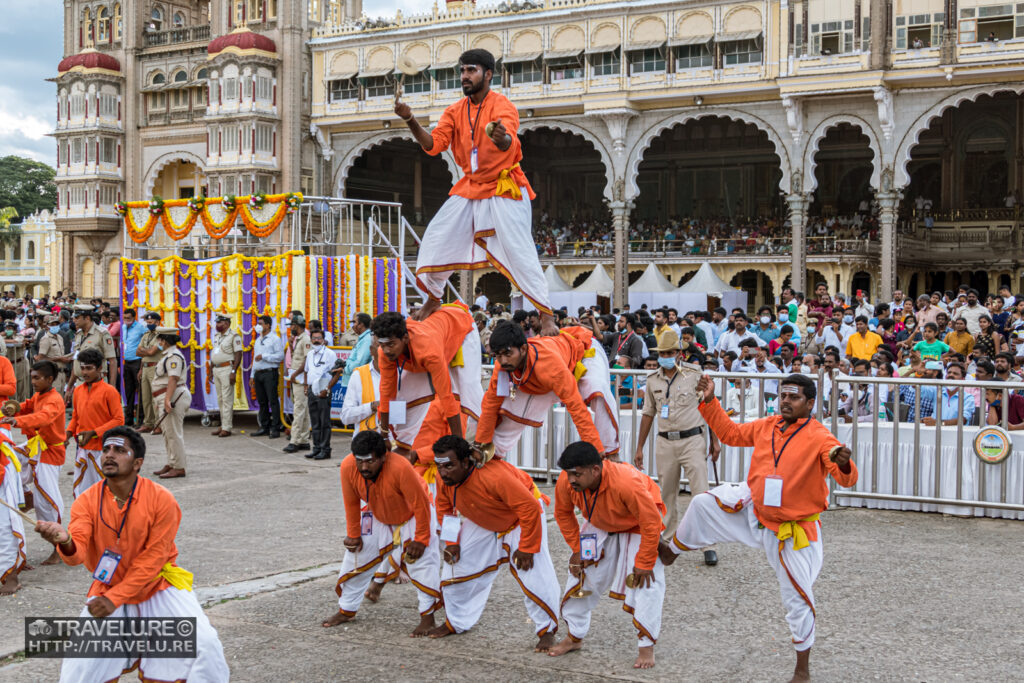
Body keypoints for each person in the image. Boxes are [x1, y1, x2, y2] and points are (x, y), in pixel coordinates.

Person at [666, 373, 857, 683]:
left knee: (798, 597)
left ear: (810, 403)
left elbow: (846, 477)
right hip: (756, 511)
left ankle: (802, 669)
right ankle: (673, 549)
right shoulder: (767, 425)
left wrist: (844, 463)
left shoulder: (822, 437)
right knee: (703, 504)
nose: (785, 401)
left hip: (793, 530)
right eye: (783, 395)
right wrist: (711, 399)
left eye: (794, 398)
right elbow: (729, 433)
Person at [33, 426, 229, 681]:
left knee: (204, 645)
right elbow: (77, 553)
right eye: (105, 450)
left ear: (138, 463)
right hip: (108, 586)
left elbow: (153, 561)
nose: (109, 455)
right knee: (81, 666)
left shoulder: (162, 499)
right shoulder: (87, 500)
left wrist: (114, 599)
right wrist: (65, 540)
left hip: (157, 585)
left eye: (119, 450)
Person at [396, 49, 557, 335]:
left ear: (488, 74)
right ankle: (434, 298)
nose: (465, 76)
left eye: (471, 70)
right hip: (470, 187)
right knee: (435, 238)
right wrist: (409, 119)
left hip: (504, 187)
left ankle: (546, 316)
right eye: (462, 71)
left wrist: (502, 138)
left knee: (519, 252)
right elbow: (433, 144)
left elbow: (510, 141)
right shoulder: (455, 111)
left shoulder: (502, 105)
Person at [428, 435, 560, 650]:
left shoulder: (494, 476)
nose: (443, 473)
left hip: (522, 519)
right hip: (484, 518)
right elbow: (444, 508)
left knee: (533, 572)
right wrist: (451, 542)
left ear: (465, 462)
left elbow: (530, 509)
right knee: (455, 567)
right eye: (439, 466)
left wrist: (527, 547)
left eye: (449, 466)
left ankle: (547, 630)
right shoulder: (445, 480)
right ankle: (456, 622)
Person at [547, 441, 666, 669]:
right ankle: (574, 636)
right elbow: (562, 514)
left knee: (646, 582)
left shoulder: (626, 483)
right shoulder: (568, 480)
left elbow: (651, 522)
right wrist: (577, 549)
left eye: (577, 474)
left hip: (638, 525)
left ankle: (646, 646)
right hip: (600, 521)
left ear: (595, 470)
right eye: (568, 474)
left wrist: (644, 561)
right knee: (579, 576)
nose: (571, 480)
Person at [322, 430, 441, 635]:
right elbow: (351, 502)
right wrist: (353, 534)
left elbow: (420, 504)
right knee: (356, 556)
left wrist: (421, 539)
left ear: (383, 457)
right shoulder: (348, 466)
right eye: (360, 461)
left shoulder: (400, 466)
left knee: (422, 562)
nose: (364, 467)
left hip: (414, 514)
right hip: (377, 511)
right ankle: (347, 610)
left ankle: (428, 617)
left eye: (370, 461)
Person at [632, 329, 720, 565]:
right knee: (666, 494)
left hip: (692, 439)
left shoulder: (695, 374)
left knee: (700, 494)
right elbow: (648, 414)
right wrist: (639, 447)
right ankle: (668, 540)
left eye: (670, 352)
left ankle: (706, 544)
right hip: (665, 441)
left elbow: (708, 406)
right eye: (662, 353)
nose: (666, 356)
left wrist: (715, 440)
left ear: (679, 353)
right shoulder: (652, 380)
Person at [474, 320, 617, 461]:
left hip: (585, 350)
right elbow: (490, 406)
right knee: (508, 408)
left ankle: (609, 454)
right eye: (498, 356)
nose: (503, 361)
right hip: (548, 368)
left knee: (597, 391)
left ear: (523, 349)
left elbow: (576, 407)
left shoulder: (549, 365)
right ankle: (493, 455)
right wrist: (480, 444)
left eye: (508, 354)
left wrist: (594, 448)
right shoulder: (503, 367)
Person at [373, 305, 483, 463]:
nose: (387, 350)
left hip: (462, 328)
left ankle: (485, 442)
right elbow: (386, 393)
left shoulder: (429, 352)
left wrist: (459, 444)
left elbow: (446, 396)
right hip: (431, 335)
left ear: (404, 338)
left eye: (391, 344)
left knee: (468, 389)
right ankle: (403, 446)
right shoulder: (385, 353)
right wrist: (383, 435)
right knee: (401, 396)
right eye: (382, 345)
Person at [2, 360, 67, 565]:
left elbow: (43, 417)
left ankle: (60, 547)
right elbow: (27, 406)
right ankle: (26, 497)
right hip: (35, 447)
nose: (33, 381)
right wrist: (11, 410)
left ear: (50, 379)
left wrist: (17, 421)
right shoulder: (40, 395)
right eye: (32, 377)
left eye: (37, 378)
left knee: (47, 501)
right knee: (10, 462)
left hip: (49, 453)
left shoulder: (54, 400)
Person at [66, 348, 123, 498]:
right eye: (82, 368)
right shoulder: (78, 390)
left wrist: (94, 432)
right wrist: (67, 434)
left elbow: (119, 420)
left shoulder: (109, 391)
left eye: (89, 368)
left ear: (99, 368)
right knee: (82, 494)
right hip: (83, 448)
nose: (84, 372)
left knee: (104, 493)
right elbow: (75, 417)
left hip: (102, 449)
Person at [150, 328, 191, 480]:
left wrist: (166, 400)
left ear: (165, 340)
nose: (158, 342)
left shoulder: (173, 356)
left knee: (174, 433)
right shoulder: (167, 355)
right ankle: (171, 462)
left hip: (174, 396)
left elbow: (173, 379)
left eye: (159, 339)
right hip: (166, 397)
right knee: (168, 433)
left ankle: (179, 467)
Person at [67, 305, 116, 397]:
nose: (74, 320)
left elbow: (112, 361)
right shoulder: (78, 335)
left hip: (97, 383)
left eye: (77, 318)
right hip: (79, 384)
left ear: (87, 318)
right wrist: (69, 387)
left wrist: (112, 386)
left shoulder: (102, 334)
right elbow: (76, 362)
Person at [304, 329, 338, 460]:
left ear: (323, 340)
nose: (316, 340)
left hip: (324, 388)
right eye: (314, 338)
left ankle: (325, 449)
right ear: (311, 339)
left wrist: (328, 389)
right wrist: (306, 386)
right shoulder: (310, 354)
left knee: (324, 422)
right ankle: (316, 448)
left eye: (319, 338)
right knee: (315, 421)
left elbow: (336, 374)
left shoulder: (330, 354)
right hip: (312, 389)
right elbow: (306, 371)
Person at [209, 314, 242, 438]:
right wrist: (211, 371)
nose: (217, 325)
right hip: (217, 369)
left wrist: (233, 372)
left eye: (220, 323)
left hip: (227, 369)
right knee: (220, 399)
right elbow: (215, 353)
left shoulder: (234, 336)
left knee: (227, 399)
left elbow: (238, 354)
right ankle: (223, 425)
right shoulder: (217, 336)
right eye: (217, 323)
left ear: (227, 324)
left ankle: (227, 427)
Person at [252, 315, 284, 438]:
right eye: (258, 324)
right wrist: (252, 375)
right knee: (262, 402)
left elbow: (280, 356)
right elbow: (255, 359)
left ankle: (275, 428)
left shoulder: (275, 339)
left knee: (273, 401)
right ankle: (264, 427)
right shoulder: (257, 340)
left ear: (268, 325)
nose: (258, 326)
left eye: (260, 323)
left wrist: (265, 356)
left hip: (270, 372)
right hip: (258, 373)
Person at [284, 317, 313, 454]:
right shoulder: (298, 338)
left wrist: (295, 374)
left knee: (299, 410)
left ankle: (294, 441)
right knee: (304, 411)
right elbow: (296, 356)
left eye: (292, 325)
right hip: (297, 378)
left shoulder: (306, 339)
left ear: (297, 325)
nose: (291, 328)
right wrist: (290, 345)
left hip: (301, 378)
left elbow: (307, 360)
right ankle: (304, 440)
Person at [136, 312, 162, 433]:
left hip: (155, 367)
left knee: (155, 397)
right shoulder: (146, 335)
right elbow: (138, 352)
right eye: (147, 322)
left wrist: (144, 351)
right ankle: (148, 423)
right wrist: (141, 369)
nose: (148, 324)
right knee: (145, 397)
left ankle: (158, 423)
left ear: (157, 322)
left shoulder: (161, 335)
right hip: (145, 367)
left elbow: (153, 352)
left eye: (150, 323)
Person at [119, 309, 145, 424]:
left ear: (134, 317)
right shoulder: (124, 327)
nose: (126, 320)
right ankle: (128, 419)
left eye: (129, 318)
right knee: (128, 391)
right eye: (125, 318)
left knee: (140, 391)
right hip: (127, 362)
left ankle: (140, 418)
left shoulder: (140, 327)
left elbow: (147, 341)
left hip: (137, 361)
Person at [34, 314, 68, 399]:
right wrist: (59, 358)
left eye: (56, 324)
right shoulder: (45, 339)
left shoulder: (60, 337)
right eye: (52, 325)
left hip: (62, 372)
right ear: (47, 326)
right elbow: (41, 358)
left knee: (60, 399)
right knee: (52, 399)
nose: (55, 326)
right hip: (52, 373)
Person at [339, 312, 372, 391]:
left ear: (361, 325)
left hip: (360, 382)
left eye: (354, 322)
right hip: (356, 381)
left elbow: (360, 362)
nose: (353, 325)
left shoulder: (367, 340)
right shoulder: (364, 338)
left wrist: (345, 369)